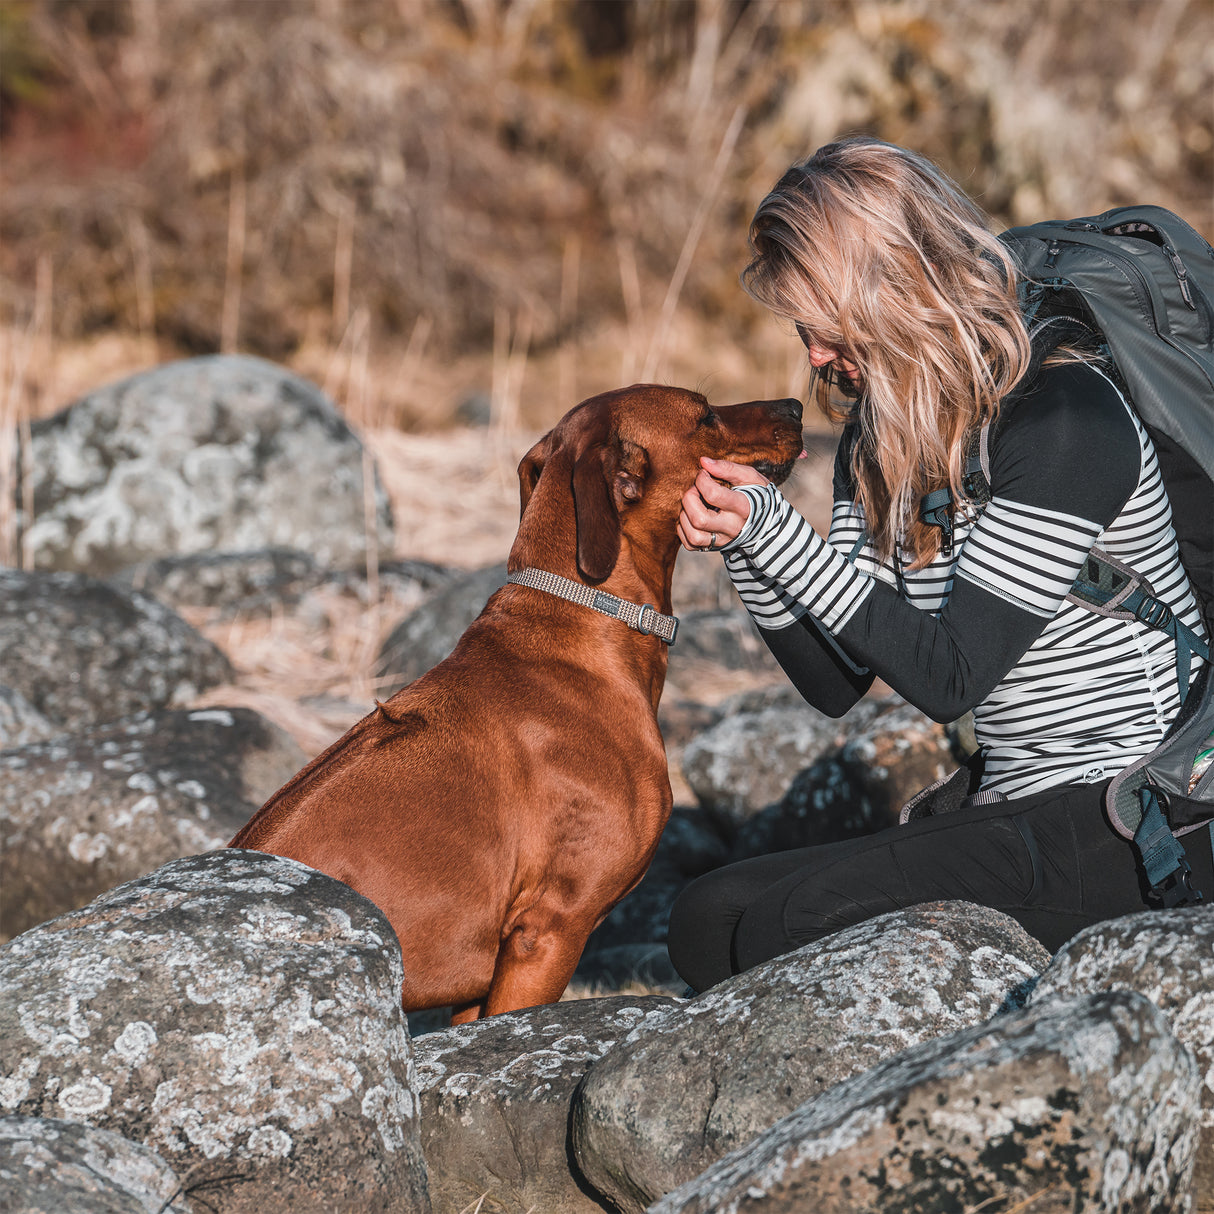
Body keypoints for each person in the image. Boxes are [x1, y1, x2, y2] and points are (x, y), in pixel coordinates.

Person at [667, 136, 1211, 994]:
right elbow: (836, 679)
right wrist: (745, 547)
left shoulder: (1065, 417)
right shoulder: (877, 440)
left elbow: (950, 675)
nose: (812, 354)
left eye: (819, 320)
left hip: (1131, 814)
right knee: (709, 918)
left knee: (785, 928)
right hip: (1012, 799)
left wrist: (779, 537)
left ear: (892, 292)